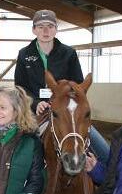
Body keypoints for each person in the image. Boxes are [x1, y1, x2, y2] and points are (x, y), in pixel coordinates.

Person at [14, 9, 109, 165]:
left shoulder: (69, 53)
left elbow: (78, 85)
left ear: (56, 29)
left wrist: (63, 102)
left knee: (105, 152)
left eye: (50, 26)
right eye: (41, 26)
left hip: (66, 111)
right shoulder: (24, 54)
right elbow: (20, 87)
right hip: (34, 111)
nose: (46, 30)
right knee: (18, 150)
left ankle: (105, 184)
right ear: (34, 30)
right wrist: (37, 103)